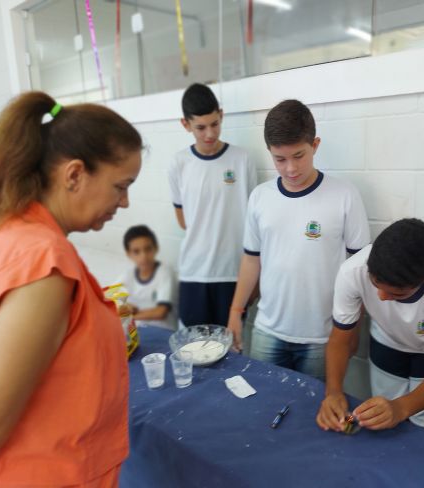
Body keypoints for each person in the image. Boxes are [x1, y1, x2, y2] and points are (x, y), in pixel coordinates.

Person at [0, 92, 142, 487]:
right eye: (121, 186)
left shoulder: (5, 235)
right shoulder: (42, 268)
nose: (125, 202)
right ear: (74, 175)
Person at [227, 100, 370, 380]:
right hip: (267, 330)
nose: (291, 168)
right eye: (280, 159)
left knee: (314, 405)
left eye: (298, 156)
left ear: (315, 145)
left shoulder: (345, 195)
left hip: (323, 336)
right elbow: (251, 260)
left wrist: (353, 328)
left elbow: (361, 269)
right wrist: (235, 311)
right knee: (263, 401)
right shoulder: (260, 197)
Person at [316, 218, 424, 433]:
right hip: (387, 343)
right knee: (383, 421)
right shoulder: (352, 271)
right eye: (375, 285)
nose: (381, 297)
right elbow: (339, 340)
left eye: (396, 294)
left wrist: (400, 408)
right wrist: (333, 392)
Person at [168, 83, 257, 328]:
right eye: (200, 127)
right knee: (192, 344)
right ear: (185, 124)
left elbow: (253, 223)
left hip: (233, 272)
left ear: (221, 115)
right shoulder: (179, 163)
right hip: (194, 272)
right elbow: (183, 219)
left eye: (214, 124)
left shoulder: (242, 159)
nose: (209, 133)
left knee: (231, 345)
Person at [117, 224, 176, 330]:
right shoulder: (128, 274)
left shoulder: (165, 272)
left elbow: (161, 312)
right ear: (128, 254)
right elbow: (108, 298)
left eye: (148, 249)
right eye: (136, 252)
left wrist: (128, 315)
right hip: (140, 330)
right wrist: (123, 305)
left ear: (156, 248)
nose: (143, 256)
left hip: (163, 331)